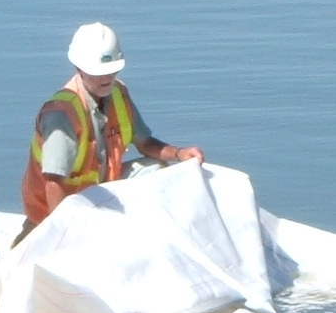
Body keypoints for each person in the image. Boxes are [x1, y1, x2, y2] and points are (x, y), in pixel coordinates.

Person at [19, 22, 204, 230]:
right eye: (98, 72)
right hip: (56, 214)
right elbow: (53, 183)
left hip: (99, 193)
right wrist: (64, 233)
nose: (107, 78)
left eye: (112, 70)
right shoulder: (62, 114)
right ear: (79, 68)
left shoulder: (118, 94)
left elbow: (145, 144)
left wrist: (180, 154)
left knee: (158, 170)